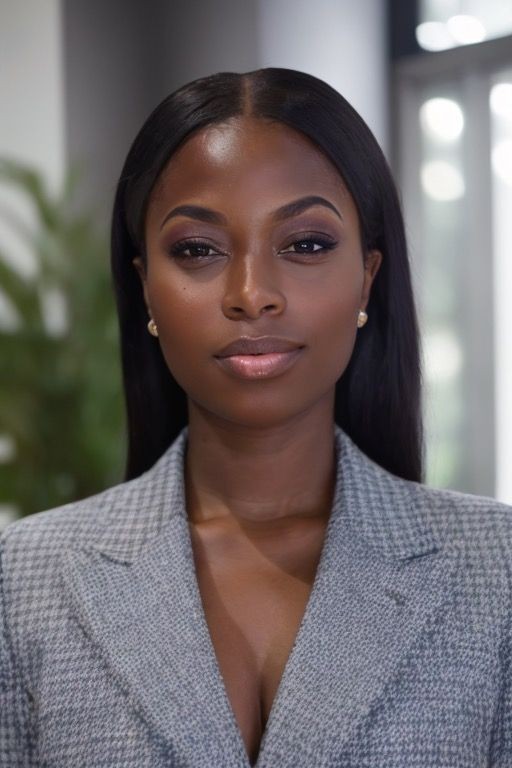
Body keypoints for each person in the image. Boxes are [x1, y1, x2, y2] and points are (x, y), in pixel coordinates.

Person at [0, 69, 510, 768]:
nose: (252, 295)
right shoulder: (24, 579)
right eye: (198, 250)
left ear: (368, 274)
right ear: (145, 282)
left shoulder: (497, 569)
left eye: (304, 244)